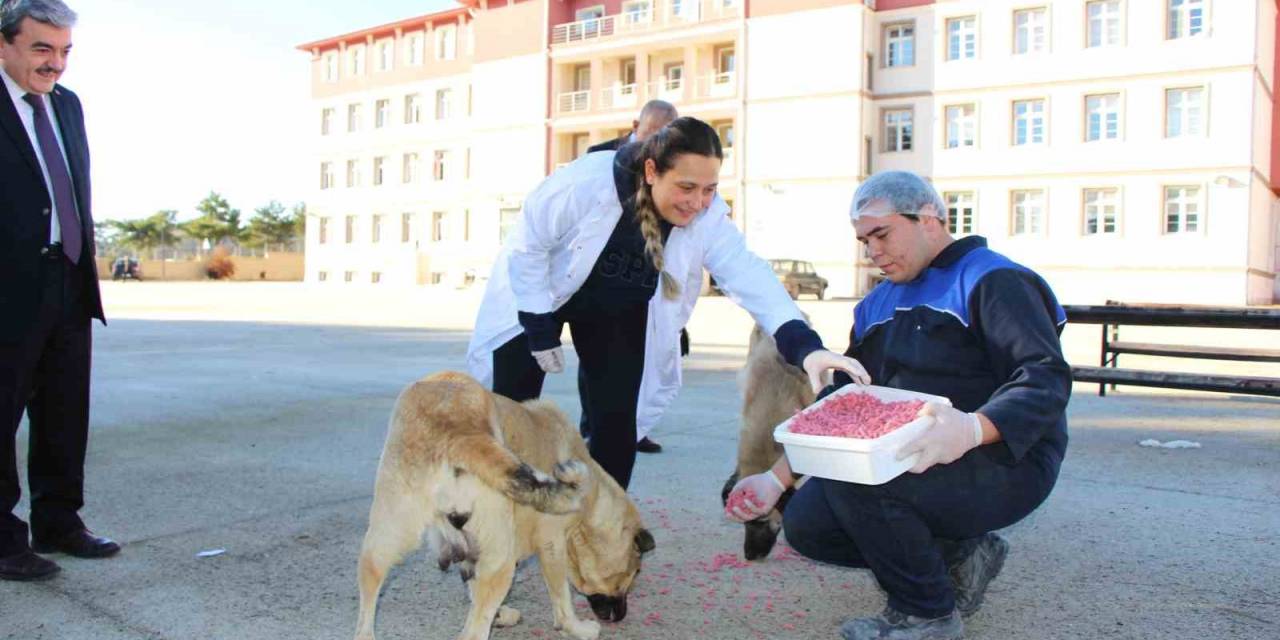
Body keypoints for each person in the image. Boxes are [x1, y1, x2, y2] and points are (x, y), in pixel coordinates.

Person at [726, 171, 1070, 640]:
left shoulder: (993, 279)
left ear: (929, 218)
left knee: (864, 480)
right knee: (808, 523)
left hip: (1004, 459)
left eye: (882, 234)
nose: (873, 252)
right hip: (914, 460)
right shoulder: (876, 304)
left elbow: (1044, 378)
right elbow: (846, 407)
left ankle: (926, 614)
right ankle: (963, 554)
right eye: (864, 241)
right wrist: (776, 477)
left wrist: (971, 429)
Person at [467, 117, 869, 490]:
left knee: (616, 425)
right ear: (651, 172)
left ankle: (604, 531)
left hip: (616, 311)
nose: (698, 202)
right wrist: (537, 326)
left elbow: (749, 274)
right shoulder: (584, 184)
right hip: (539, 294)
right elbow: (528, 246)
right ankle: (500, 525)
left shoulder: (708, 217)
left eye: (710, 189)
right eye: (687, 187)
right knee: (512, 413)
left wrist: (806, 346)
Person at [0, 0, 119, 583]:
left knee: (65, 410)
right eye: (42, 48)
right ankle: (1, 539)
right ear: (4, 44)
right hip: (7, 285)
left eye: (65, 50)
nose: (56, 64)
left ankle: (59, 521)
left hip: (69, 277)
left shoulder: (67, 105)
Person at [579, 99, 680, 454]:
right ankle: (591, 426)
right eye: (651, 134)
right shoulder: (600, 157)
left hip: (642, 276)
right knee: (595, 361)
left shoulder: (670, 167)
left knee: (636, 364)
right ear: (635, 125)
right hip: (594, 278)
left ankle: (634, 428)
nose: (655, 144)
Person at [585, 99, 677, 154]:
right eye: (651, 135)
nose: (657, 143)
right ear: (636, 126)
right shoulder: (599, 153)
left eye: (666, 137)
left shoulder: (675, 156)